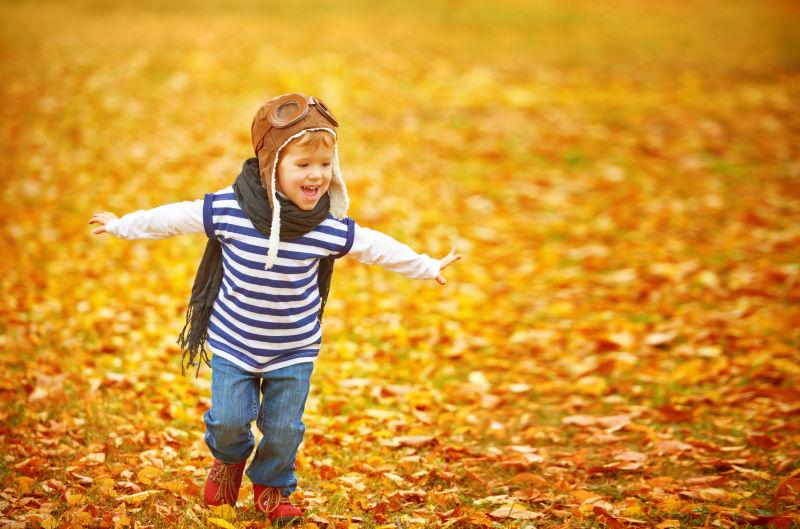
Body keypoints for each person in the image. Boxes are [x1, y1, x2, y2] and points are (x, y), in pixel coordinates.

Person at [88, 93, 460, 525]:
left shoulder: (326, 227)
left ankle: (272, 486)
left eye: (325, 164)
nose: (316, 175)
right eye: (302, 165)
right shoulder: (230, 210)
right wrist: (122, 225)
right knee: (228, 421)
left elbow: (376, 246)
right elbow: (174, 218)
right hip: (234, 342)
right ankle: (228, 461)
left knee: (284, 431)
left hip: (294, 348)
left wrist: (426, 266)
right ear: (271, 168)